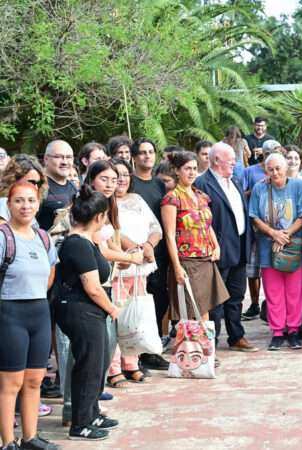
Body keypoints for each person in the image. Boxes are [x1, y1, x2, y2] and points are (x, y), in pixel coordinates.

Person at [53, 186, 119, 441]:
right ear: (100, 217)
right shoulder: (77, 244)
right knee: (88, 365)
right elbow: (92, 287)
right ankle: (80, 424)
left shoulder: (87, 241)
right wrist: (112, 308)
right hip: (80, 311)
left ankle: (91, 413)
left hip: (88, 311)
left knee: (97, 362)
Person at [0, 182, 59, 450]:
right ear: (9, 205)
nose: (25, 206)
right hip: (10, 313)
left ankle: (30, 437)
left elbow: (50, 272)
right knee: (10, 382)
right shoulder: (3, 237)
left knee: (34, 380)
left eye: (31, 201)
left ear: (38, 204)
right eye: (19, 201)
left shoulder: (43, 237)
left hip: (39, 312)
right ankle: (8, 441)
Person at [194, 143, 257, 352]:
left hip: (239, 246)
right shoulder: (202, 183)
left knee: (237, 295)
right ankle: (211, 341)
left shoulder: (236, 182)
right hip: (218, 249)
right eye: (230, 159)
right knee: (216, 300)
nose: (234, 162)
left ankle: (236, 336)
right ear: (216, 160)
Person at [106, 158, 162, 386]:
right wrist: (135, 249)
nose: (121, 179)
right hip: (119, 268)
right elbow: (112, 231)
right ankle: (113, 368)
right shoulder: (106, 203)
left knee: (136, 316)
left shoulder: (137, 199)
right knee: (117, 318)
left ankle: (132, 363)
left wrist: (149, 246)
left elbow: (155, 227)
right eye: (116, 175)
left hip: (141, 268)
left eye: (125, 175)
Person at [161, 151, 228, 334]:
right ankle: (194, 354)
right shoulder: (172, 198)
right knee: (191, 310)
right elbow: (169, 235)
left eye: (194, 169)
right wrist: (176, 267)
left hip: (206, 259)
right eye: (187, 169)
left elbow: (207, 225)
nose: (191, 173)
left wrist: (216, 245)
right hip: (187, 260)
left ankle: (203, 353)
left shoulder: (201, 196)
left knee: (204, 309)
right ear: (177, 171)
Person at [249, 153, 302, 350]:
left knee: (294, 292)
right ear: (266, 170)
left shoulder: (298, 185)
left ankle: (293, 330)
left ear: (286, 168)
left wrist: (285, 235)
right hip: (268, 247)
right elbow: (255, 217)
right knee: (274, 292)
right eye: (271, 169)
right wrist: (274, 234)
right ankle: (277, 331)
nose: (275, 172)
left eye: (278, 168)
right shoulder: (260, 188)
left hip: (292, 247)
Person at [130, 139, 171, 372]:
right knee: (137, 303)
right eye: (142, 153)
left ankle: (152, 350)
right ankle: (135, 354)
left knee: (159, 300)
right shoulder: (130, 183)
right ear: (134, 158)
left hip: (159, 251)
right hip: (135, 253)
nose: (147, 156)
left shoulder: (159, 185)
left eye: (150, 152)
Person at [240, 140, 282, 322]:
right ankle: (255, 303)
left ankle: (272, 305)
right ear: (262, 154)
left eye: (275, 151)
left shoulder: (282, 171)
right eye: (268, 152)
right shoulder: (250, 171)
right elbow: (241, 194)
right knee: (253, 268)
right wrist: (258, 188)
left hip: (279, 230)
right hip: (255, 227)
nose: (271, 154)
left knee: (275, 267)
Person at [38, 140, 78, 231]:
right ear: (46, 159)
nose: (64, 162)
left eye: (69, 157)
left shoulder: (73, 187)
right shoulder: (39, 185)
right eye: (58, 157)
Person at [0, 156, 46, 223]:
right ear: (13, 180)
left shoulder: (29, 206)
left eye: (38, 183)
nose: (35, 187)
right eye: (31, 182)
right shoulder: (3, 204)